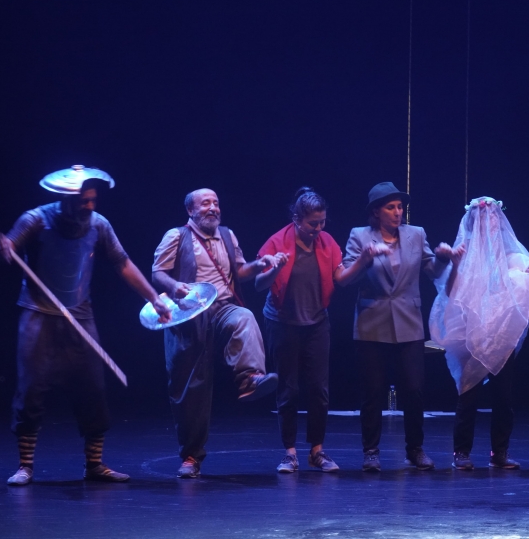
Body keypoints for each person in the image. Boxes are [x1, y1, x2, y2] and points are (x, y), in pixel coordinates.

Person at [0, 166, 172, 486]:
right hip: (38, 313)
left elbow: (122, 263)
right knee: (31, 388)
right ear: (66, 198)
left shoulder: (99, 225)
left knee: (93, 387)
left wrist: (153, 298)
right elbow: (7, 248)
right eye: (84, 200)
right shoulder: (36, 219)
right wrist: (4, 248)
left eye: (93, 199)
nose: (90, 205)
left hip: (80, 314)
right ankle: (25, 466)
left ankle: (94, 465)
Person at [152, 188, 282, 479]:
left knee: (244, 317)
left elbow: (240, 272)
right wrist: (173, 287)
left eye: (216, 203)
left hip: (222, 307)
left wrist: (259, 265)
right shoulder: (176, 236)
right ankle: (190, 456)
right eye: (205, 204)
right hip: (188, 315)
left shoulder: (227, 235)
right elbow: (158, 273)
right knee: (191, 388)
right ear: (191, 210)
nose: (213, 208)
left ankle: (250, 378)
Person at [429, 197, 529, 471]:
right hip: (470, 333)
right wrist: (456, 264)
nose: (489, 224)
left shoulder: (513, 256)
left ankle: (499, 452)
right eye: (483, 220)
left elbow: (523, 286)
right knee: (468, 393)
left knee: (503, 396)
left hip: (500, 336)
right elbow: (450, 293)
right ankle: (461, 452)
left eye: (493, 219)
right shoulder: (463, 254)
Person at [340, 181, 453, 472]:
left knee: (414, 389)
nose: (397, 212)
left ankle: (415, 449)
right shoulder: (359, 236)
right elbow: (347, 277)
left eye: (400, 207)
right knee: (372, 392)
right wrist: (365, 259)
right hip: (372, 322)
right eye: (390, 207)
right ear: (376, 211)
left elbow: (432, 271)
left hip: (408, 322)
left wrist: (442, 258)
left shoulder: (416, 234)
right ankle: (371, 451)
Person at [255, 187, 369, 474]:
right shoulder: (277, 242)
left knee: (319, 388)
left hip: (317, 322)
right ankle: (290, 453)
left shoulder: (326, 242)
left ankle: (317, 451)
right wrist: (274, 268)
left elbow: (342, 279)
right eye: (312, 224)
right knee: (288, 388)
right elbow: (258, 284)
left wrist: (363, 261)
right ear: (296, 219)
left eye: (322, 222)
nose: (318, 229)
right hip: (282, 323)